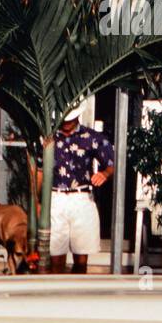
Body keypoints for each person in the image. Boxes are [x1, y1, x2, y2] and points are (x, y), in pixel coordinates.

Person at [36, 109, 115, 274]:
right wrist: (38, 201)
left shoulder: (91, 137)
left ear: (78, 116)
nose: (66, 124)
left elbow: (112, 162)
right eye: (63, 120)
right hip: (55, 198)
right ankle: (58, 296)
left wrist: (104, 173)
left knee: (81, 260)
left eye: (70, 120)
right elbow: (39, 171)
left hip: (81, 198)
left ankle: (77, 296)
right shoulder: (48, 139)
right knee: (56, 258)